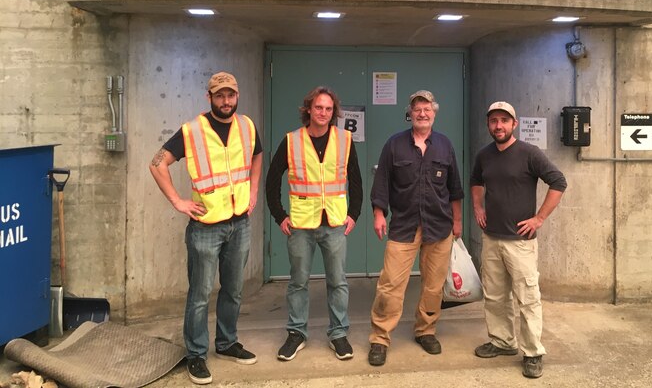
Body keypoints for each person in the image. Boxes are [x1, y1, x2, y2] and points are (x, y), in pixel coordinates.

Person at [149, 71, 262, 385]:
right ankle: (196, 354)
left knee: (234, 290)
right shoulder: (192, 131)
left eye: (230, 95)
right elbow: (157, 163)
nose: (226, 101)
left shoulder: (246, 126)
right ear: (209, 97)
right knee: (199, 295)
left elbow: (257, 155)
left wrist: (253, 190)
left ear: (236, 96)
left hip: (239, 223)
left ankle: (226, 343)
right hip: (205, 227)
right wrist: (178, 201)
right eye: (220, 95)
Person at [265, 86, 363, 362]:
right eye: (318, 107)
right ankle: (296, 334)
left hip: (334, 223)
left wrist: (353, 214)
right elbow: (272, 181)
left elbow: (355, 181)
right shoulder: (291, 141)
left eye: (329, 109)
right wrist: (279, 216)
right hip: (300, 225)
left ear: (334, 112)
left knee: (338, 282)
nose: (323, 113)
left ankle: (338, 334)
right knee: (298, 282)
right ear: (308, 109)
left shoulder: (344, 140)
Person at [471, 101, 567, 380]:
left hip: (521, 242)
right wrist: (478, 207)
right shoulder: (484, 155)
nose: (498, 126)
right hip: (492, 238)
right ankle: (503, 342)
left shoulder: (529, 154)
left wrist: (539, 218)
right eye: (493, 121)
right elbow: (476, 180)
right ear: (489, 125)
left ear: (514, 124)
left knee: (527, 297)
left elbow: (558, 182)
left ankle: (533, 352)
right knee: (495, 295)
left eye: (504, 120)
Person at [368, 90, 464, 366]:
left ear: (434, 113)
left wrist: (457, 221)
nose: (422, 113)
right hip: (404, 225)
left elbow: (454, 188)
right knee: (390, 285)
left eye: (427, 109)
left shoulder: (445, 145)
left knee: (434, 287)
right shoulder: (394, 144)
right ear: (409, 113)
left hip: (440, 225)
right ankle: (380, 337)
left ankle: (426, 330)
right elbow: (382, 183)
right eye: (417, 108)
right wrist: (378, 214)